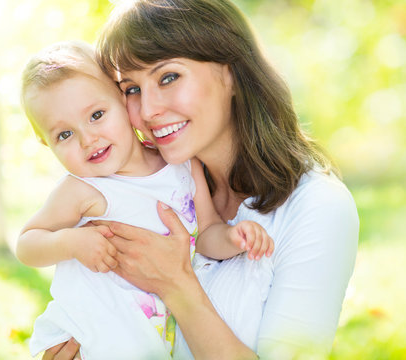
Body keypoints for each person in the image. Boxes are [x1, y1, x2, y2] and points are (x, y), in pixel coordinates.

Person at [42, 0, 359, 359]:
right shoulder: (145, 187)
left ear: (232, 73)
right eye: (131, 88)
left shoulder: (318, 208)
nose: (148, 110)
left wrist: (176, 285)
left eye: (168, 77)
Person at [16, 40, 274, 359]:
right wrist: (71, 242)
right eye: (64, 135)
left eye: (96, 114)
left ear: (124, 102)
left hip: (152, 334)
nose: (87, 139)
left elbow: (206, 233)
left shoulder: (182, 167)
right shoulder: (81, 189)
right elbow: (27, 243)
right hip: (91, 331)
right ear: (46, 144)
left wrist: (235, 237)